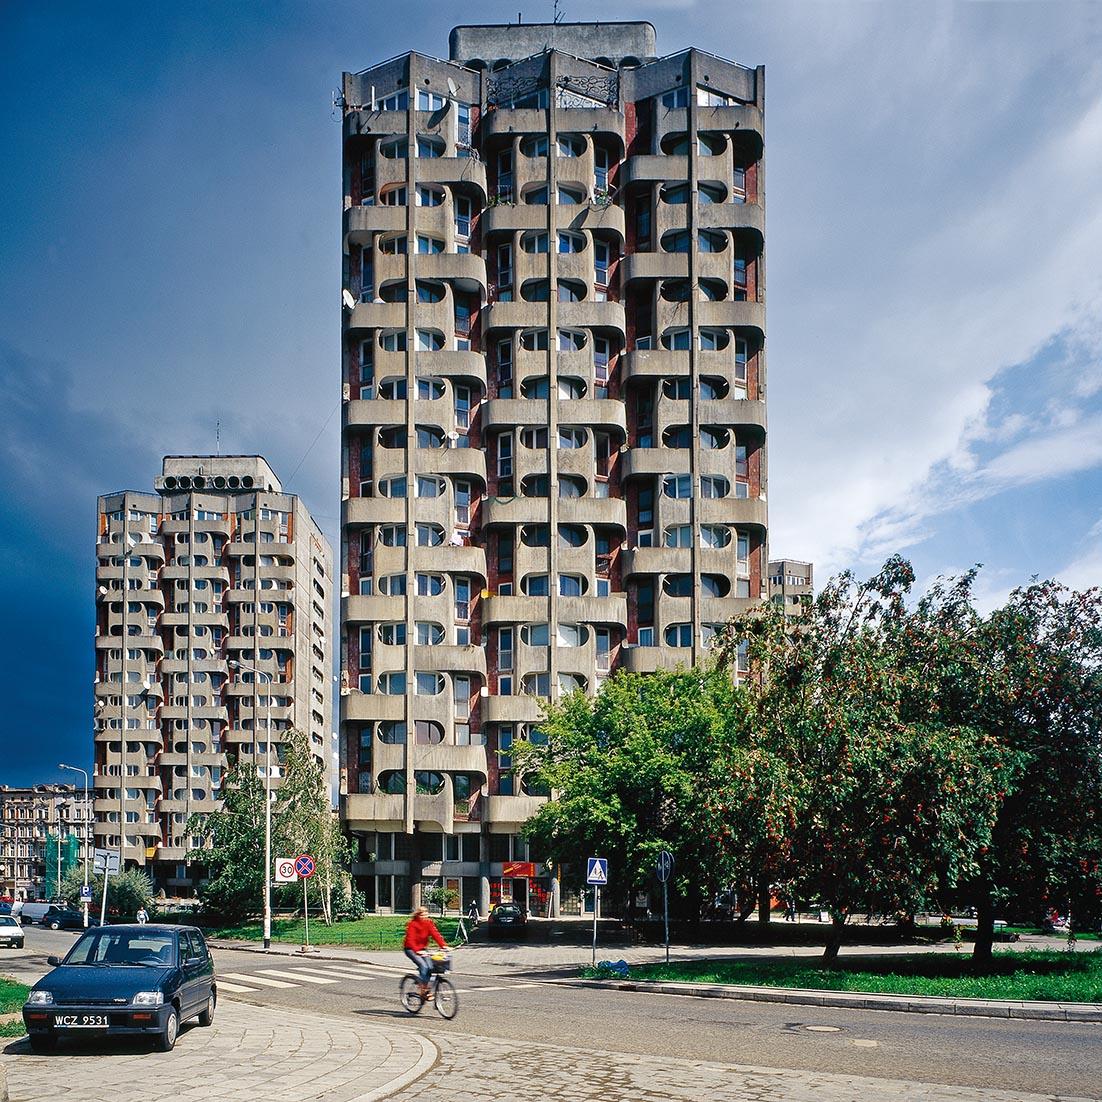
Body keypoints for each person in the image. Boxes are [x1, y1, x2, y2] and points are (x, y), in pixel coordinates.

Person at [404, 906, 447, 1000]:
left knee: (430, 967)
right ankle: (423, 990)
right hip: (410, 949)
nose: (424, 917)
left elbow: (435, 934)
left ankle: (425, 988)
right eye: (422, 915)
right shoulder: (412, 924)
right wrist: (417, 951)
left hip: (422, 949)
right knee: (423, 966)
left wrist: (443, 945)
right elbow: (410, 939)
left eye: (426, 915)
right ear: (417, 915)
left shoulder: (428, 923)